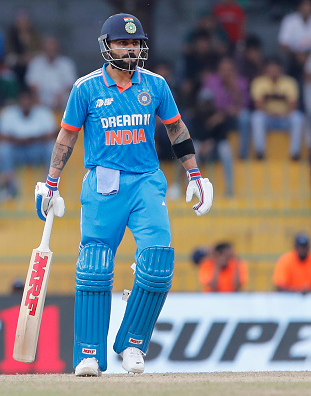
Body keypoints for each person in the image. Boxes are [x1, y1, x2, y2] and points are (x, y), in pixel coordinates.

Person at [33, 14, 214, 376]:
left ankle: (132, 345)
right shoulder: (85, 88)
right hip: (103, 183)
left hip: (147, 180)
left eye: (135, 43)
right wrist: (50, 183)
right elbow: (67, 137)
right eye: (123, 43)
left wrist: (195, 174)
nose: (131, 49)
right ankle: (88, 354)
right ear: (107, 46)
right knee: (95, 267)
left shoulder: (156, 85)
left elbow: (176, 129)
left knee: (159, 263)